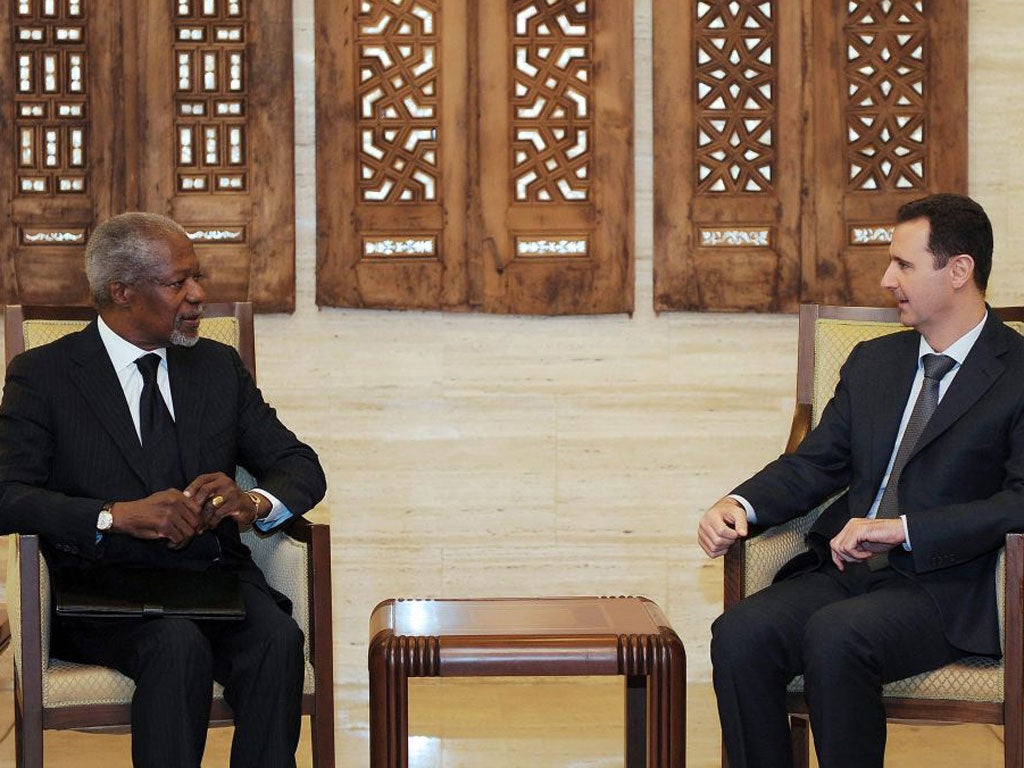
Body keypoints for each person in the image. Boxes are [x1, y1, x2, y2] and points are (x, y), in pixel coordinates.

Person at [697, 193, 1024, 768]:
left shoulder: (1017, 373)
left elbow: (1020, 502)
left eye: (902, 264)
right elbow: (814, 462)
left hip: (944, 588)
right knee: (740, 633)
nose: (884, 278)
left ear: (959, 271)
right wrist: (740, 504)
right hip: (845, 572)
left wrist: (905, 530)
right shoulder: (875, 364)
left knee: (836, 636)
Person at [0, 212, 327, 768]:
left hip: (211, 578)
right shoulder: (45, 375)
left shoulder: (217, 368)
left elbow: (300, 465)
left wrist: (252, 503)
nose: (198, 295)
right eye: (179, 283)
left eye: (197, 278)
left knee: (278, 640)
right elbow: (7, 493)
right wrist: (113, 515)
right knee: (178, 647)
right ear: (121, 291)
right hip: (103, 589)